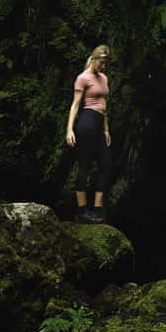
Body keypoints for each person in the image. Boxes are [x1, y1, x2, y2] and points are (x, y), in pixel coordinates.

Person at [66, 43, 112, 223]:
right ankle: (81, 210)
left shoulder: (104, 78)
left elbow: (104, 106)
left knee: (106, 164)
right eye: (101, 62)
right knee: (84, 164)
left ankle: (98, 209)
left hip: (99, 123)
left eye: (106, 64)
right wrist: (69, 129)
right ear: (94, 59)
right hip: (86, 122)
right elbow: (75, 105)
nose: (103, 66)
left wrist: (106, 129)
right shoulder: (82, 78)